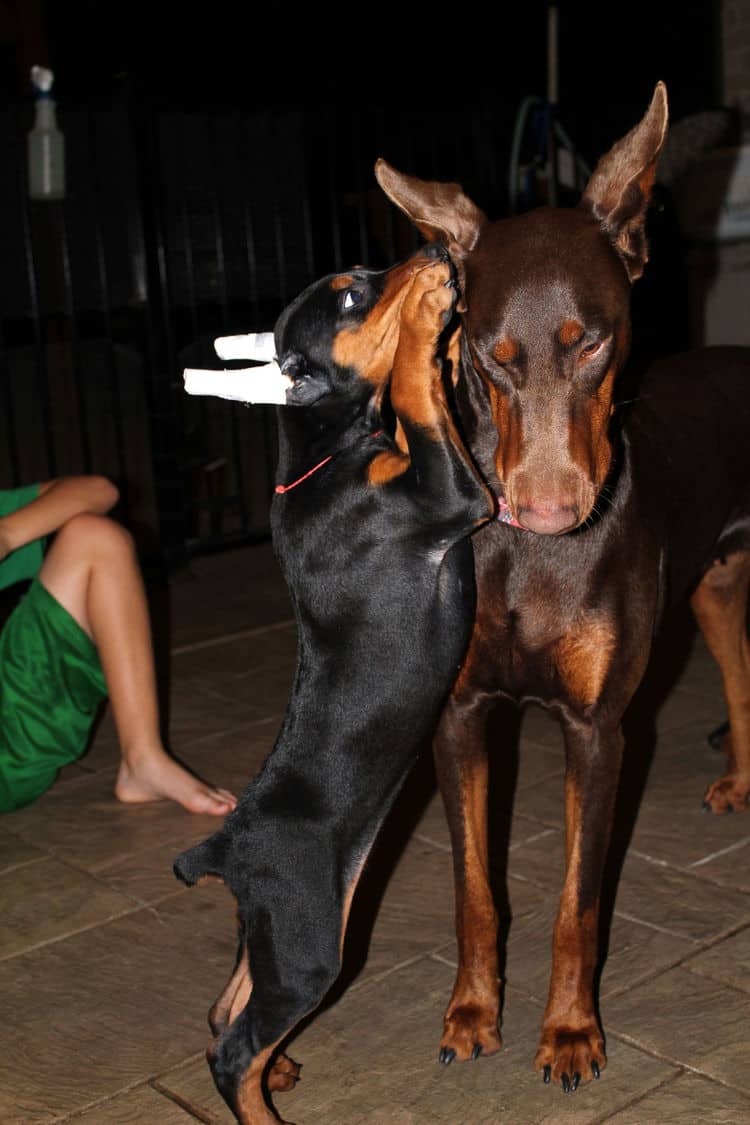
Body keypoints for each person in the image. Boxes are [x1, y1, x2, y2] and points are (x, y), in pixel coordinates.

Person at [0, 475, 237, 815]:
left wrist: (6, 535)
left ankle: (143, 760)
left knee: (95, 537)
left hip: (13, 744)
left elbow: (100, 491)